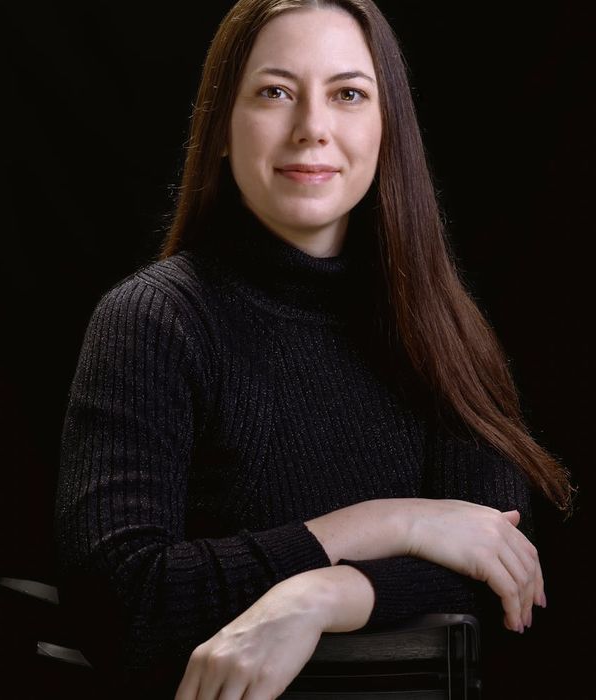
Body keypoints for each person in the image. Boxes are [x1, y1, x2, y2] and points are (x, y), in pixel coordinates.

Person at [54, 0, 572, 698]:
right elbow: (120, 599)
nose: (312, 130)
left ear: (387, 129)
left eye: (349, 94)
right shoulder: (153, 321)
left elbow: (501, 572)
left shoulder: (443, 326)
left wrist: (320, 596)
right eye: (275, 92)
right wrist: (394, 522)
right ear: (222, 130)